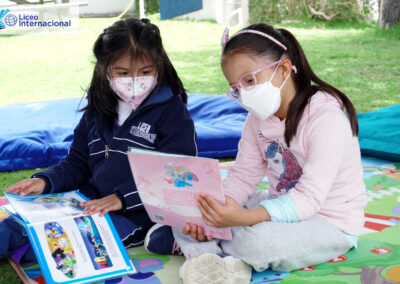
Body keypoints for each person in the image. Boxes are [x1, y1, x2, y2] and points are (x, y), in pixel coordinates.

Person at [144, 23, 367, 284]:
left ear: (283, 69)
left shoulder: (326, 118)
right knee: (197, 206)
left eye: (250, 81)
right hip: (279, 204)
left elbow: (309, 199)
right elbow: (242, 176)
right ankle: (217, 257)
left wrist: (243, 218)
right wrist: (215, 210)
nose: (243, 94)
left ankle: (201, 249)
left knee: (259, 244)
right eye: (236, 88)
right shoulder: (256, 119)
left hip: (329, 222)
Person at [1, 18, 197, 265]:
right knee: (13, 226)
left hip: (137, 215)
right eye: (123, 73)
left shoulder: (172, 114)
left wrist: (122, 198)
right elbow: (78, 162)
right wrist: (45, 181)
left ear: (159, 65)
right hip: (87, 200)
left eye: (145, 72)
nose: (135, 81)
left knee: (54, 250)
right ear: (104, 69)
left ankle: (167, 236)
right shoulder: (98, 109)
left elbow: (178, 176)